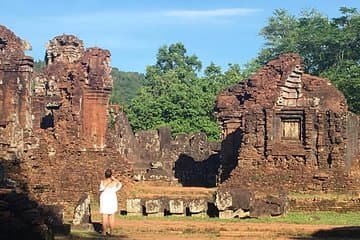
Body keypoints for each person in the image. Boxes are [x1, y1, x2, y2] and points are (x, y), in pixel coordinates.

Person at [99, 168, 122, 236]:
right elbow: (120, 185)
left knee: (104, 215)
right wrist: (114, 179)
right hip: (112, 198)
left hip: (104, 198)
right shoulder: (114, 183)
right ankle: (111, 232)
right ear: (111, 175)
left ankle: (104, 232)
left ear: (105, 175)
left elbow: (100, 189)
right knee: (112, 216)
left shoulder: (102, 182)